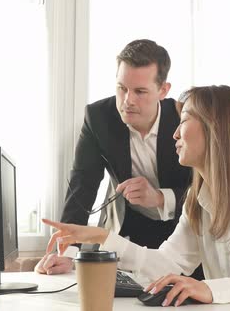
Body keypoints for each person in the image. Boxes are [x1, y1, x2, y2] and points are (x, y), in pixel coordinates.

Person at [42, 85, 230, 310]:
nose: (174, 134)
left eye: (183, 121)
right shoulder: (200, 198)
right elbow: (168, 262)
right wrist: (102, 238)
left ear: (215, 129)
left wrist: (210, 290)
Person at [35, 39, 194, 276]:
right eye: (122, 88)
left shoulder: (184, 118)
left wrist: (161, 198)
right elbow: (83, 184)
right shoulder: (99, 117)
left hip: (184, 228)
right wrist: (67, 253)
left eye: (140, 91)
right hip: (131, 226)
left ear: (163, 90)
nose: (128, 100)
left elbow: (206, 189)